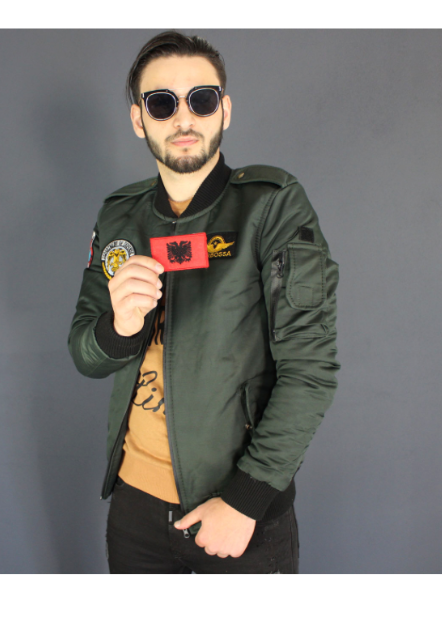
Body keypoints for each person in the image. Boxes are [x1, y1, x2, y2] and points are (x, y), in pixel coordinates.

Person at [69, 31, 339, 574]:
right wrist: (120, 327)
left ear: (225, 110)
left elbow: (310, 370)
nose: (184, 118)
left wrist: (246, 500)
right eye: (162, 103)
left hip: (236, 511)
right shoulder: (119, 215)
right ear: (139, 119)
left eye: (202, 99)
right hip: (134, 508)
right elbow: (86, 356)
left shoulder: (271, 205)